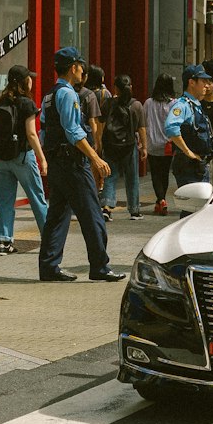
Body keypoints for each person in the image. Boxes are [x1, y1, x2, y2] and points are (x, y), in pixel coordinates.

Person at [38, 47, 125, 283]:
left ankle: (48, 266)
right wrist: (95, 158)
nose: (82, 70)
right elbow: (73, 130)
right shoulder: (68, 94)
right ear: (73, 67)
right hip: (73, 163)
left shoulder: (49, 95)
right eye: (80, 66)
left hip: (57, 163)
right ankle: (100, 266)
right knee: (92, 213)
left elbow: (44, 130)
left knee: (57, 215)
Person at [0, 64, 49, 254]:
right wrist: (42, 159)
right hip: (23, 157)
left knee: (5, 199)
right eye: (29, 77)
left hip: (2, 158)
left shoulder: (3, 101)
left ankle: (3, 241)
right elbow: (32, 134)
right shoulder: (27, 104)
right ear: (25, 82)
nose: (32, 80)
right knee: (37, 198)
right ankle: (49, 238)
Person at [100, 74, 147, 220]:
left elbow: (101, 125)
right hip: (129, 146)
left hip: (110, 145)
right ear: (130, 87)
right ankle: (134, 211)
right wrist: (144, 147)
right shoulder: (136, 105)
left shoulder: (107, 103)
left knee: (110, 176)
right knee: (132, 178)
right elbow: (141, 128)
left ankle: (107, 208)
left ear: (115, 88)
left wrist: (100, 143)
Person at [164, 65, 213, 194]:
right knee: (191, 208)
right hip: (189, 167)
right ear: (191, 82)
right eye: (203, 81)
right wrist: (188, 152)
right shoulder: (183, 105)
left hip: (199, 166)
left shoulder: (196, 105)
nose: (206, 85)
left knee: (198, 208)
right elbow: (171, 127)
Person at [143, 74, 176, 215]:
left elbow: (143, 122)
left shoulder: (149, 103)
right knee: (164, 173)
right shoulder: (174, 103)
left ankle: (160, 200)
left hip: (152, 144)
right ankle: (161, 200)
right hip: (168, 145)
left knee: (155, 174)